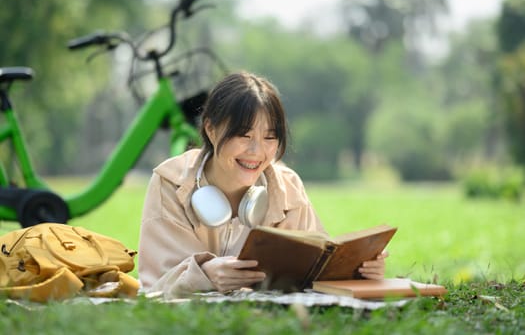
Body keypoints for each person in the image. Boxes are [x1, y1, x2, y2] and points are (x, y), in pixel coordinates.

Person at [138, 71, 388, 297]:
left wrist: (358, 269)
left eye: (270, 137)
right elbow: (156, 283)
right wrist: (206, 274)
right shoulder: (171, 182)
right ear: (211, 130)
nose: (256, 151)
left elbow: (317, 267)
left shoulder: (287, 187)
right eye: (244, 135)